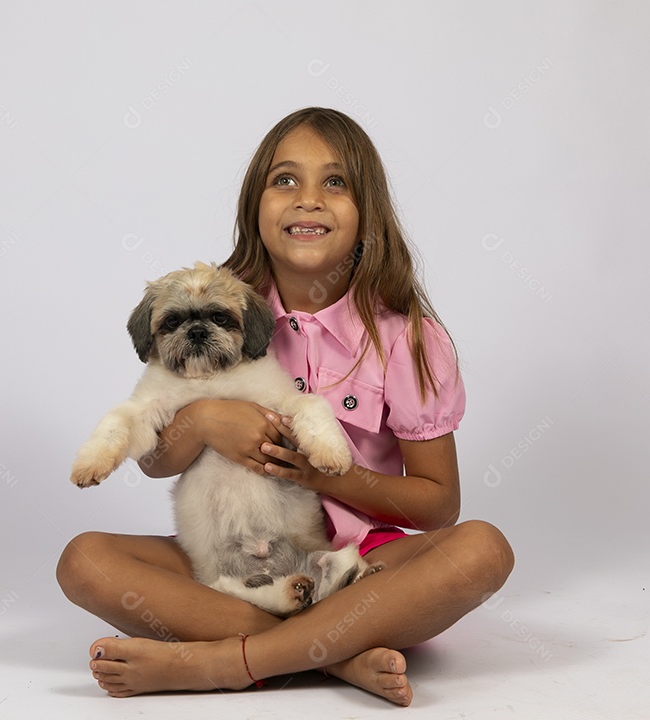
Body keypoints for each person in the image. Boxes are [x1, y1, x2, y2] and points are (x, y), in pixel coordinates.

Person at [57, 107, 513, 706]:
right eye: (285, 180)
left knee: (482, 550)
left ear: (367, 213)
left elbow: (438, 506)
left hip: (352, 557)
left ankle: (222, 663)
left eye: (336, 182)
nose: (308, 201)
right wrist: (202, 421)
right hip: (231, 551)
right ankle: (334, 656)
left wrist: (327, 473)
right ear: (255, 205)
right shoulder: (214, 302)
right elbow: (152, 458)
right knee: (85, 561)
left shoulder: (407, 337)